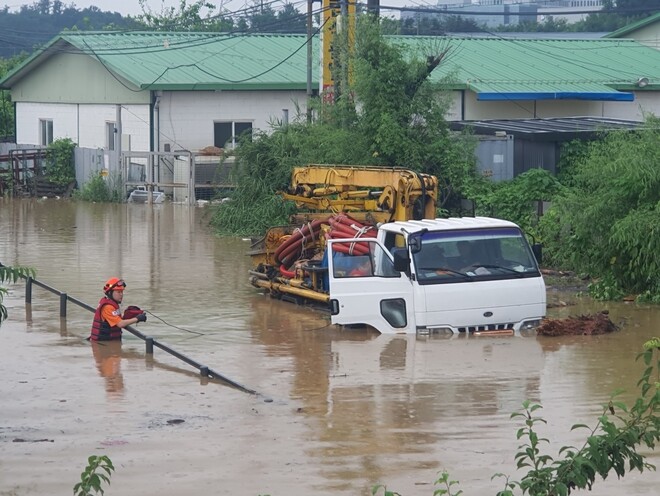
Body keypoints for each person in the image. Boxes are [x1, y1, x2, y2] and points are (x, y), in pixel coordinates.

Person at [89, 277, 146, 341]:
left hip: (110, 342)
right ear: (110, 292)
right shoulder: (107, 307)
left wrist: (129, 316)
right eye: (118, 292)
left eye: (122, 292)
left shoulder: (113, 304)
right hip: (103, 343)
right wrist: (137, 318)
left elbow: (117, 319)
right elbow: (120, 324)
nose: (121, 295)